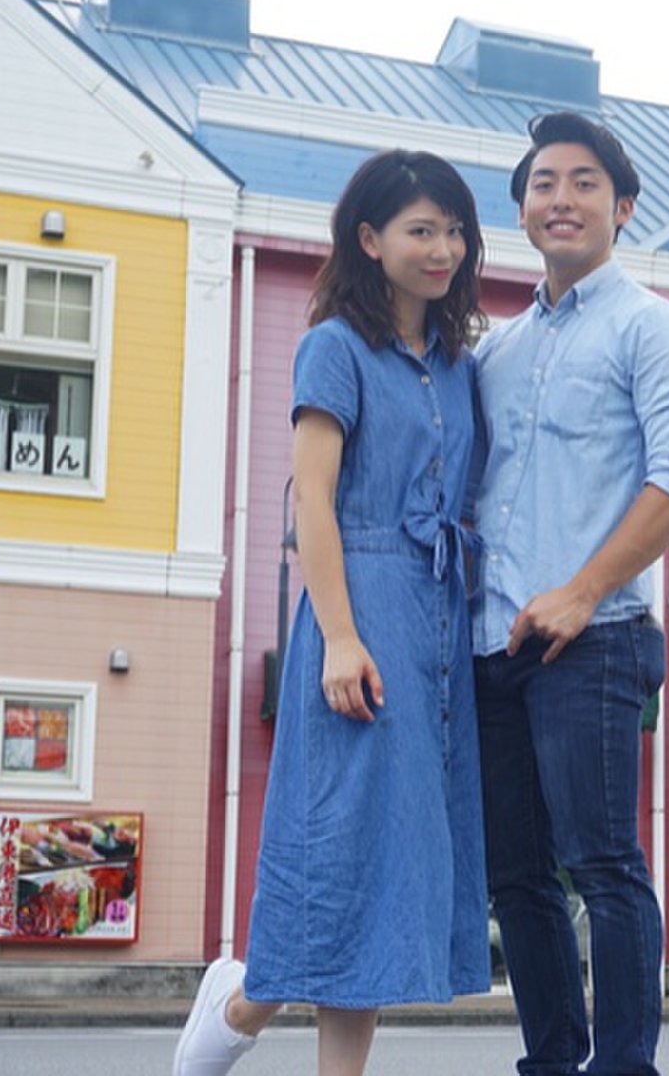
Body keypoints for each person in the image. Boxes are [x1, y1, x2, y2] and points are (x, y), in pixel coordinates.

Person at [174, 150, 490, 1076]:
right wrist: (341, 637)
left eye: (455, 230)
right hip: (357, 605)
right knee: (337, 849)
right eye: (420, 229)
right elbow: (312, 500)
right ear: (370, 238)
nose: (442, 248)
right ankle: (236, 1009)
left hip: (438, 617)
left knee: (389, 871)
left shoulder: (459, 363)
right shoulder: (334, 347)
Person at [473, 113, 669, 1076]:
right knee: (518, 880)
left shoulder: (656, 329)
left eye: (582, 183)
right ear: (524, 211)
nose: (560, 199)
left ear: (621, 207)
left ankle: (623, 1067)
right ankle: (551, 1063)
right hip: (496, 650)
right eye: (542, 184)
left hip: (598, 637)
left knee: (605, 867)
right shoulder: (497, 350)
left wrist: (580, 591)